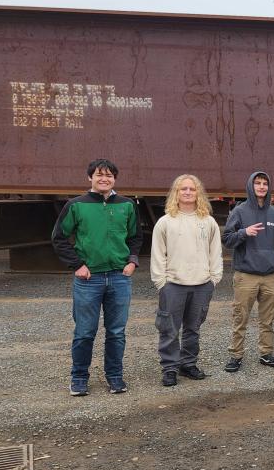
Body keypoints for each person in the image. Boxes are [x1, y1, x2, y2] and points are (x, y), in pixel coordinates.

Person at [52, 158, 142, 396]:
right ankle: (79, 377)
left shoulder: (127, 205)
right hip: (88, 279)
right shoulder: (76, 205)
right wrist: (77, 265)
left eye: (109, 175)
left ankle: (115, 377)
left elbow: (136, 237)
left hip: (119, 277)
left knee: (116, 332)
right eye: (99, 175)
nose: (104, 179)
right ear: (89, 177)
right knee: (84, 331)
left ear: (115, 179)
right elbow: (59, 238)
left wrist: (132, 260)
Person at [150, 174, 222, 387]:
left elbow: (215, 252)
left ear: (198, 193)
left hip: (201, 285)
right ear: (176, 193)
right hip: (173, 285)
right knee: (169, 329)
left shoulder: (207, 222)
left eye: (192, 189)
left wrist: (213, 279)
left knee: (193, 328)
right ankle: (170, 367)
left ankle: (188, 364)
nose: (188, 192)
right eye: (183, 189)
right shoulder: (166, 222)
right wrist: (161, 283)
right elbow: (157, 254)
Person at [222, 171, 274, 373]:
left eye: (264, 183)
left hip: (269, 276)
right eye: (257, 183)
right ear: (250, 186)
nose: (261, 187)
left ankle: (266, 354)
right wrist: (244, 233)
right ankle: (236, 355)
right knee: (240, 317)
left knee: (267, 319)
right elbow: (227, 239)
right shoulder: (240, 211)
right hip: (246, 275)